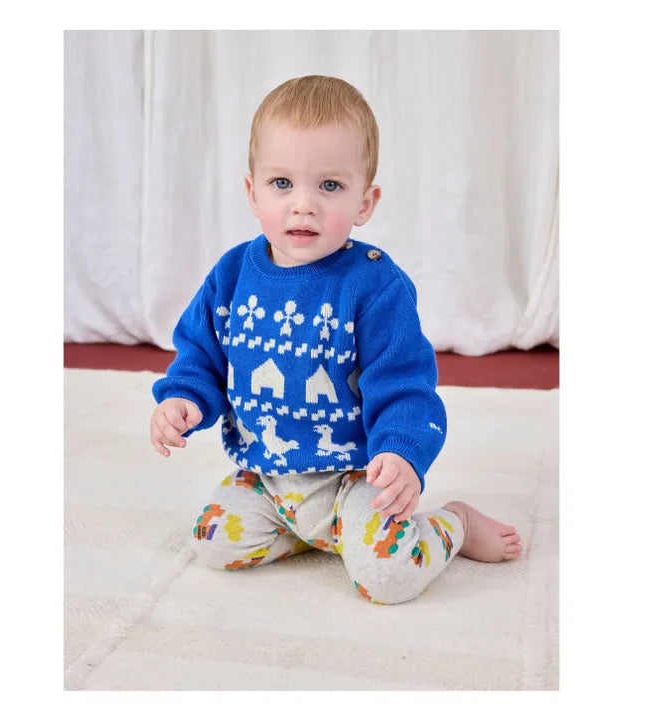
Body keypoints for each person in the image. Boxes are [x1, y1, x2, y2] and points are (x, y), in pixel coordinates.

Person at [150, 75, 521, 604]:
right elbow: (201, 355)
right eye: (282, 183)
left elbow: (405, 383)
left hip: (356, 475)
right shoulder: (232, 275)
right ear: (252, 192)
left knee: (388, 578)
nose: (303, 205)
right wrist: (183, 398)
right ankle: (313, 531)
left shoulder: (374, 285)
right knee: (211, 543)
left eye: (329, 186)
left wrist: (402, 453)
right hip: (267, 475)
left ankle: (453, 524)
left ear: (365, 202)